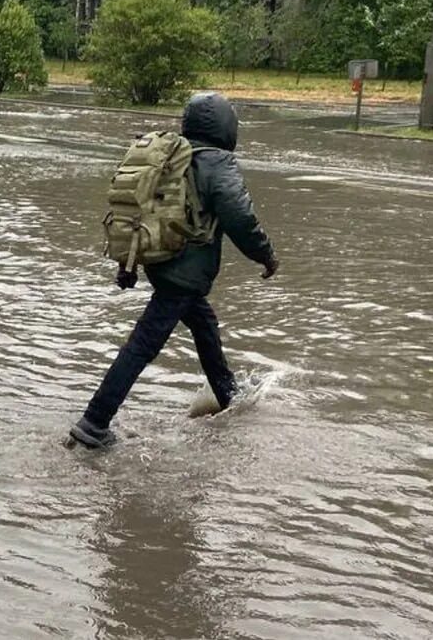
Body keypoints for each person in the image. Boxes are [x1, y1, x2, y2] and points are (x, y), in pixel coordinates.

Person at [69, 93, 279, 449]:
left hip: (163, 262)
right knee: (142, 345)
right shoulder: (217, 162)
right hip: (186, 273)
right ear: (226, 126)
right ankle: (94, 422)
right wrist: (266, 256)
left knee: (204, 325)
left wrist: (129, 263)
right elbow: (240, 217)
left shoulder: (173, 154)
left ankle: (228, 394)